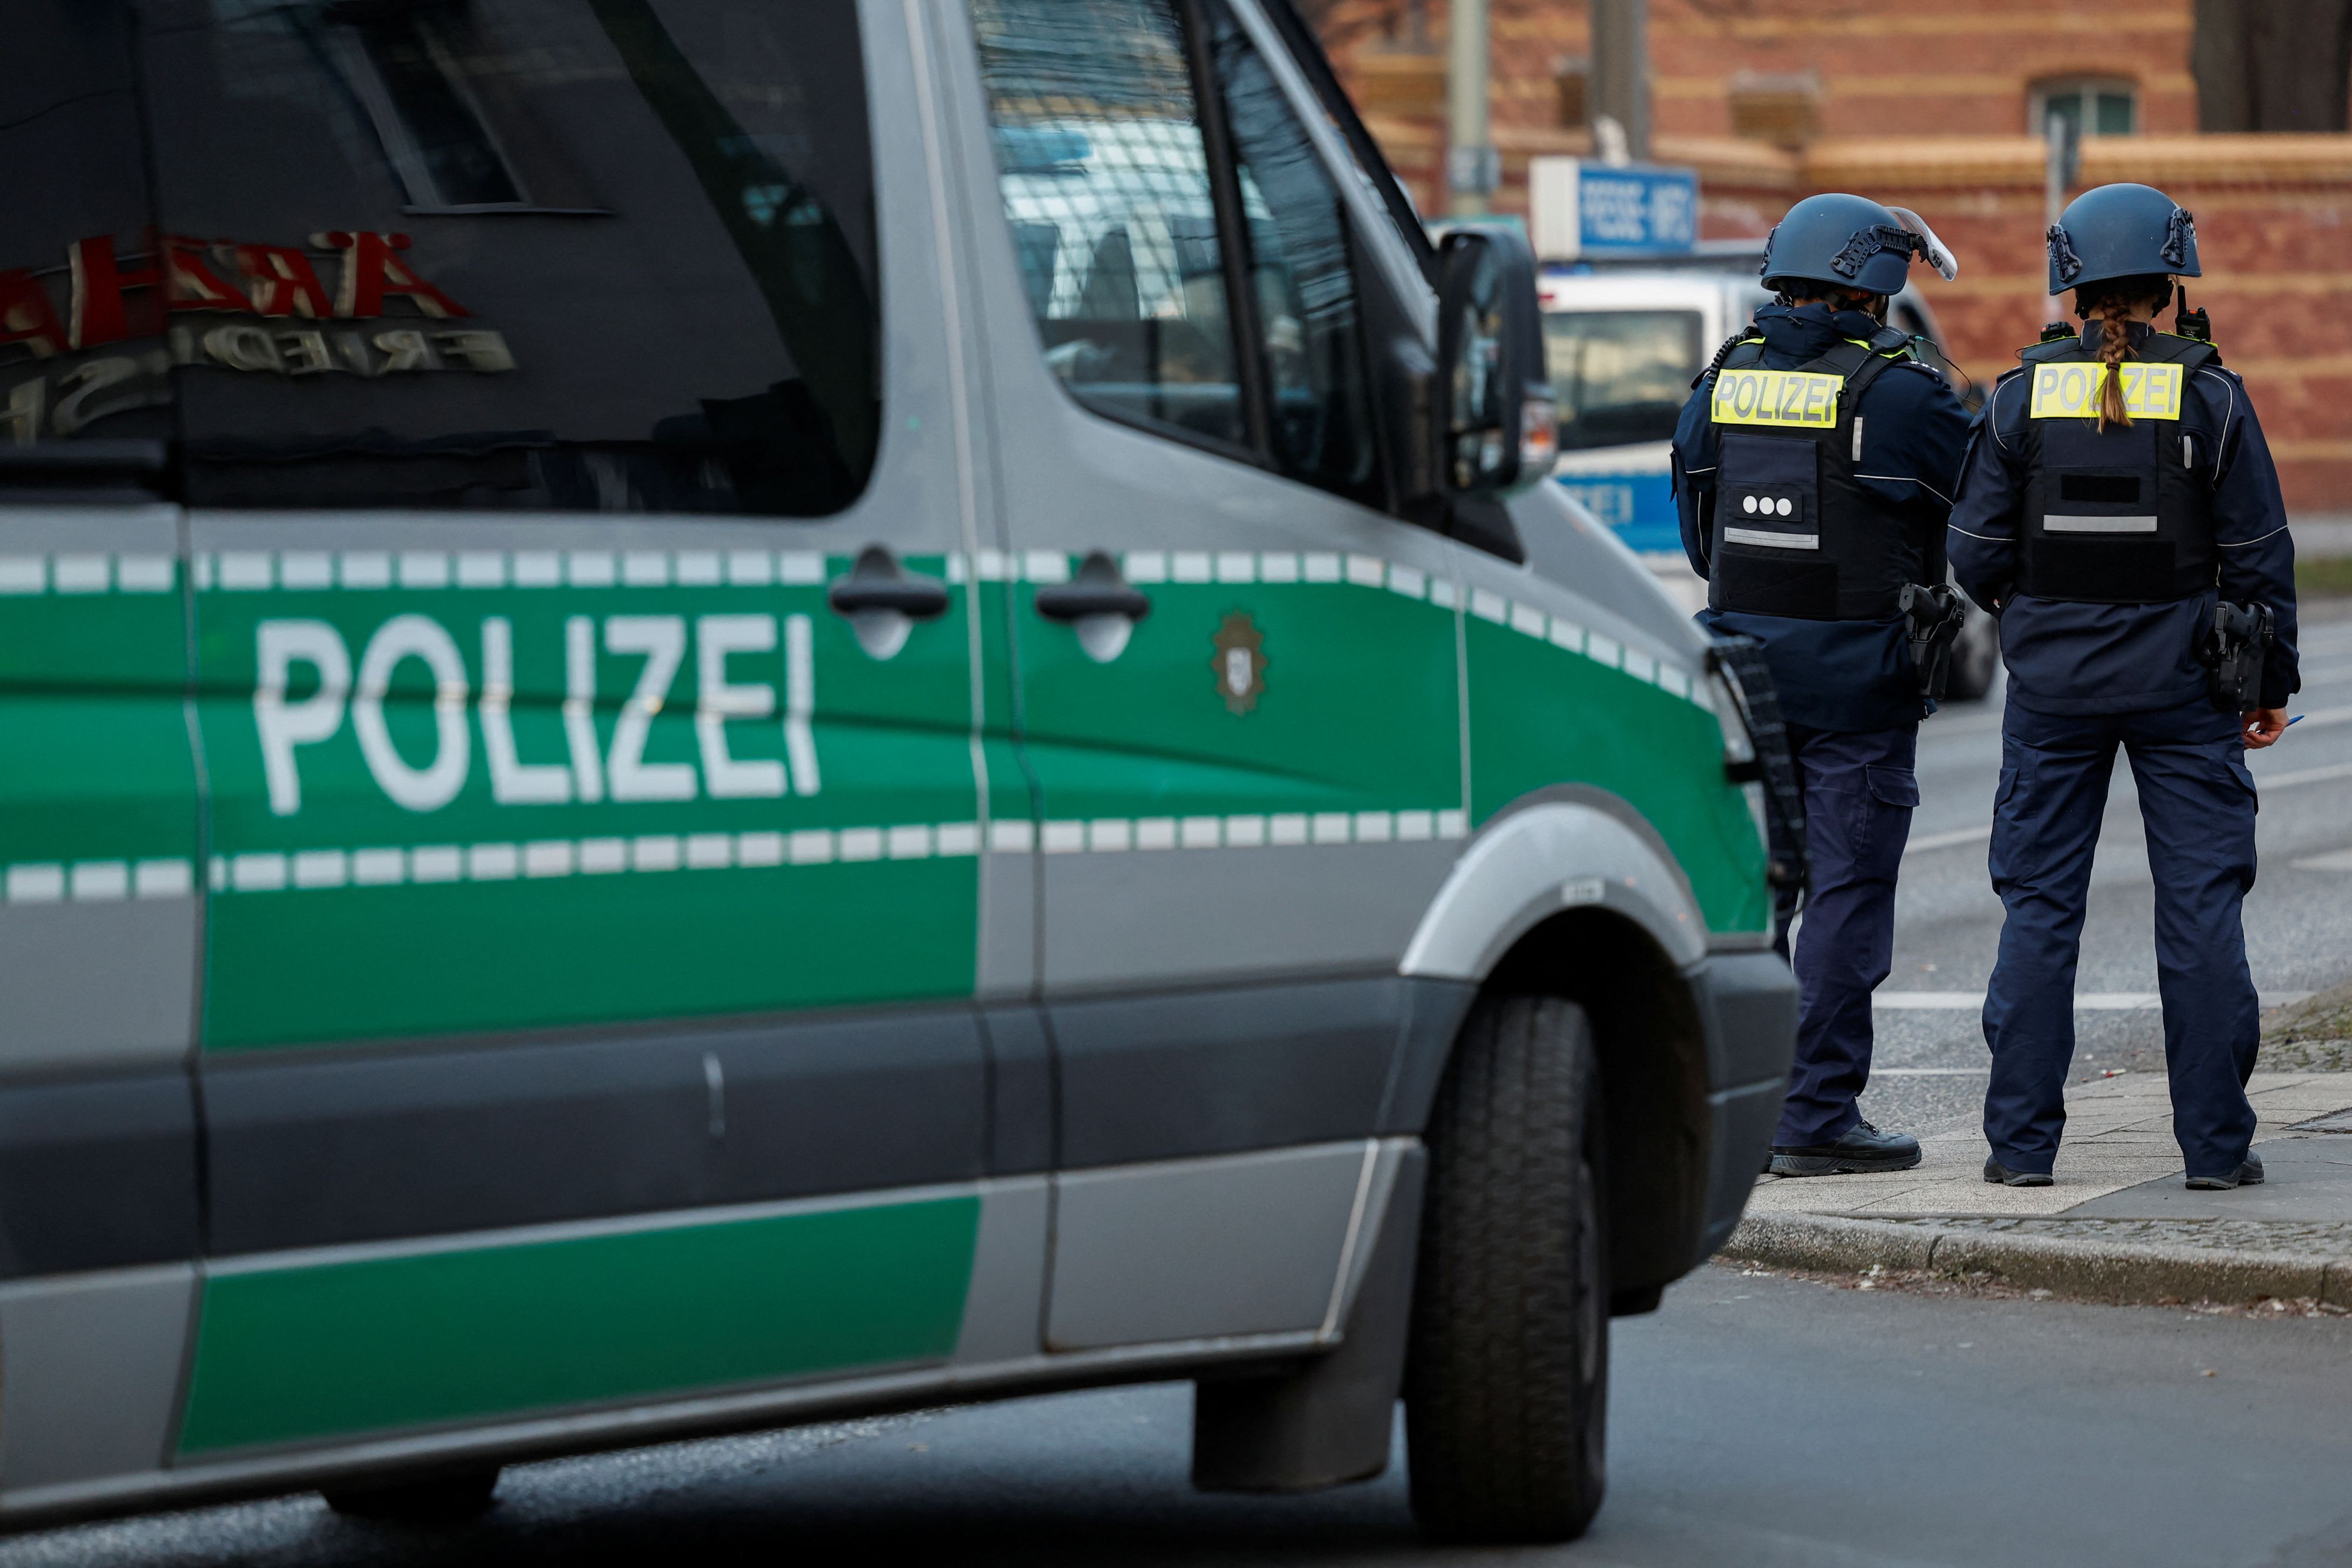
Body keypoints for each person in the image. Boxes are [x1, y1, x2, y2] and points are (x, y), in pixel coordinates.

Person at [1947, 182, 2299, 1190]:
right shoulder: (2212, 397)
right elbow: (2261, 558)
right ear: (2170, 283)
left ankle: (2019, 1154)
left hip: (2052, 692)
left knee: (2040, 911)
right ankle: (2217, 1154)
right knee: (2199, 910)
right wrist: (2265, 683)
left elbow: (1969, 553)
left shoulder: (2020, 398)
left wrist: (2037, 611)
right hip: (2188, 689)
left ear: (2070, 285)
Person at [1673, 193, 1973, 1176]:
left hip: (1743, 676)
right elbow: (1974, 518)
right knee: (1846, 895)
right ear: (1875, 286)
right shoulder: (1904, 393)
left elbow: (1698, 527)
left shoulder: (1721, 380)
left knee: (1753, 896)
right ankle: (1815, 1117)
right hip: (1860, 686)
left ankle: (1740, 1111)